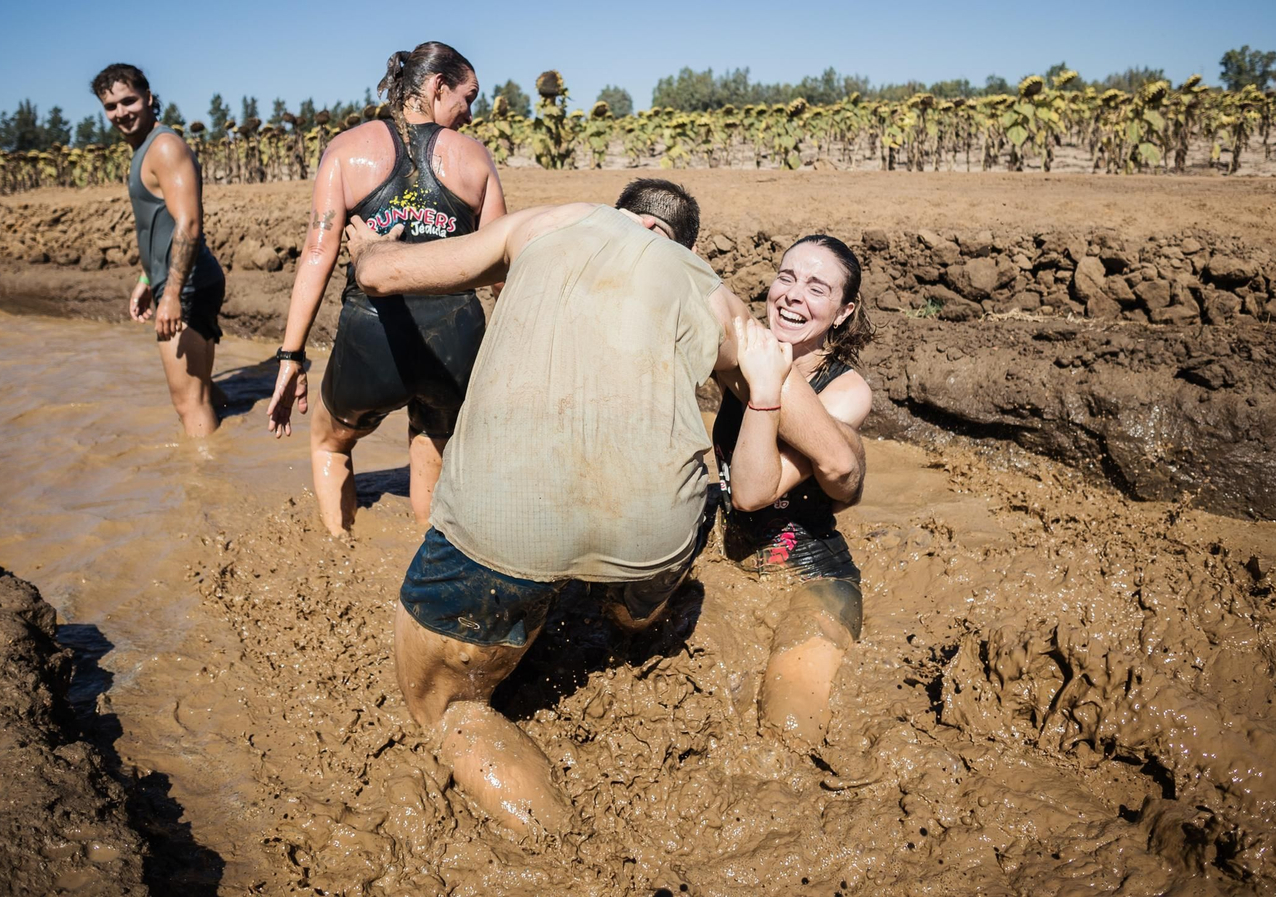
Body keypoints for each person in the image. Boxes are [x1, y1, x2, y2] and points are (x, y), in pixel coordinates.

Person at [344, 179, 745, 837]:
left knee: (444, 707)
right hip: (654, 530)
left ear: (623, 215)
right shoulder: (707, 287)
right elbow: (817, 436)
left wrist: (369, 247)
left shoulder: (552, 222)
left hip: (508, 521)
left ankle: (567, 852)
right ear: (675, 241)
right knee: (653, 526)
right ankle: (634, 610)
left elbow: (387, 275)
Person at [265, 41, 506, 536]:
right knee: (433, 444)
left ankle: (339, 553)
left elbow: (318, 252)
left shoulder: (346, 150)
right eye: (469, 96)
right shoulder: (475, 159)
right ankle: (427, 560)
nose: (469, 112)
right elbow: (501, 267)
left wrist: (290, 356)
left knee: (329, 444)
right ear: (439, 86)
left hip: (372, 338)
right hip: (455, 342)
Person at [716, 235, 873, 745]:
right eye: (786, 277)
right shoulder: (750, 350)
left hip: (812, 575)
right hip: (731, 564)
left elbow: (752, 492)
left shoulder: (845, 390)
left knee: (787, 724)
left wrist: (765, 388)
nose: (792, 295)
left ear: (844, 311)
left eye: (816, 287)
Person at [93, 62, 227, 438]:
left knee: (189, 404)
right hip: (182, 279)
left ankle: (205, 489)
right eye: (110, 106)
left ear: (149, 98)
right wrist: (145, 277)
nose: (120, 112)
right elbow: (160, 226)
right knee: (204, 391)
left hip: (185, 285)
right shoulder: (146, 149)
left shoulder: (164, 147)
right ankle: (234, 444)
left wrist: (169, 295)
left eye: (128, 101)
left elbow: (189, 223)